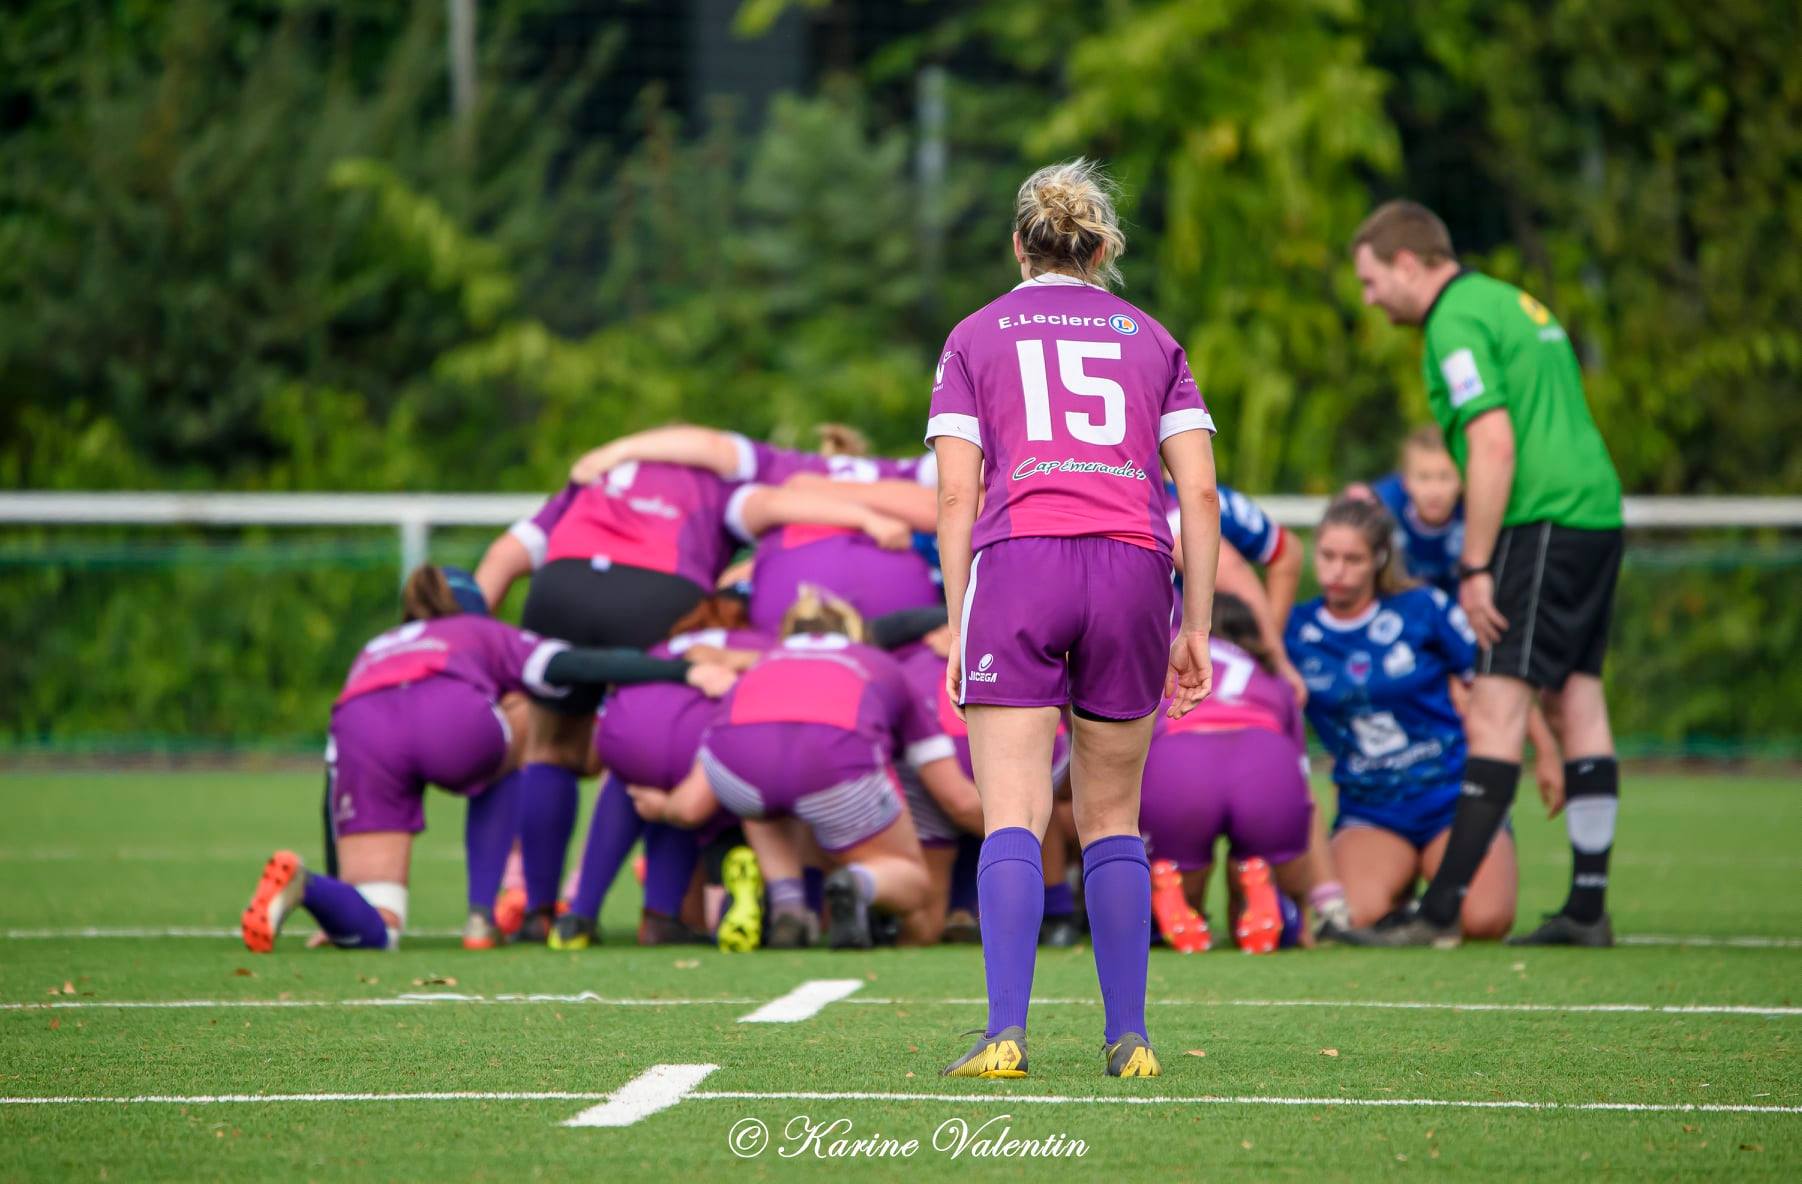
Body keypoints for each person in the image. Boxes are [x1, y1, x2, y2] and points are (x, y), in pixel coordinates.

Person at [928, 158, 1219, 1081]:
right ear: (1101, 251)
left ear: (1021, 245)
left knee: (1011, 810)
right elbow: (1200, 493)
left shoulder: (975, 335)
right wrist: (1197, 624)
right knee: (1111, 818)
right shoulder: (1153, 336)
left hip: (1020, 564)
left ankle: (1006, 1034)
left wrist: (955, 619)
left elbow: (953, 497)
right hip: (1134, 568)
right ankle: (1128, 1038)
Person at [468, 461, 910, 941]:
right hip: (664, 608)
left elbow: (505, 554)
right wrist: (867, 519)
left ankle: (556, 911)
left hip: (574, 610)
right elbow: (778, 504)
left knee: (567, 754)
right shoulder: (722, 484)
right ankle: (683, 913)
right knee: (717, 769)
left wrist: (469, 646)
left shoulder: (593, 483)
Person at [1350, 200, 1624, 947]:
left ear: (1409, 263)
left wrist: (1475, 564)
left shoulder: (1455, 321)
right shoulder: (1507, 299)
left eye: (1373, 282)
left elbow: (1494, 443)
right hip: (1597, 509)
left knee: (1498, 710)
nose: (1371, 300)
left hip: (1541, 520)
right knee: (1579, 700)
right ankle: (1587, 909)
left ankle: (1437, 914)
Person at [239, 565, 734, 953]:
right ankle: (481, 914)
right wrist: (680, 671)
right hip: (451, 720)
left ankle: (313, 890)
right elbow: (582, 664)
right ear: (477, 608)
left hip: (364, 731)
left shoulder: (377, 648)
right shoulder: (483, 632)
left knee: (381, 924)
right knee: (525, 720)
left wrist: (342, 885)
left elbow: (334, 781)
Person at [627, 588, 977, 949]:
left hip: (739, 769)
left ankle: (788, 908)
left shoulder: (762, 665)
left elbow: (690, 808)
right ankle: (859, 882)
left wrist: (662, 807)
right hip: (833, 767)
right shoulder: (879, 663)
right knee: (912, 879)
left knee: (764, 793)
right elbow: (953, 794)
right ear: (855, 634)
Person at [1285, 498, 1517, 943]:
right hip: (1371, 807)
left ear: (1379, 558)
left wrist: (1544, 752)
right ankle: (1404, 897)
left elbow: (1498, 688)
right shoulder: (1295, 630)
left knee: (1483, 921)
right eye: (1328, 556)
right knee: (1352, 917)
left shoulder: (1423, 608)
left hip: (1451, 796)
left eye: (1352, 559)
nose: (1337, 570)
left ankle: (1430, 885)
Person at [1349, 426, 1567, 807]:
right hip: (1398, 636)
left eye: (1445, 477)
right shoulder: (1379, 508)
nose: (1434, 489)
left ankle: (1525, 768)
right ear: (1405, 481)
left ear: (1464, 478)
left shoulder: (1482, 511)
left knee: (1493, 685)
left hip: (1459, 625)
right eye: (1423, 477)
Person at [1139, 594, 1319, 954]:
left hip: (1183, 758)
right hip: (1265, 756)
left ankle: (1178, 903)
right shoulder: (1272, 675)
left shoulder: (1166, 658)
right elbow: (1301, 772)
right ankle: (1267, 902)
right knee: (1267, 862)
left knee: (1179, 867)